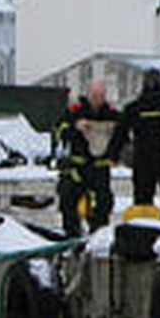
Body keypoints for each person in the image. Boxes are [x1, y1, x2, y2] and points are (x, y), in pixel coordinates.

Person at [53, 80, 119, 236]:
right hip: (78, 166)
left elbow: (125, 137)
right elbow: (59, 130)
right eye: (95, 95)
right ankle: (72, 235)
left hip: (100, 168)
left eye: (101, 95)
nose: (98, 99)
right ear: (88, 94)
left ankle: (99, 235)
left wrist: (115, 131)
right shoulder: (75, 111)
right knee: (69, 200)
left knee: (103, 203)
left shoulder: (112, 113)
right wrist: (75, 127)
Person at [110, 69, 160, 220]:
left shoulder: (134, 107)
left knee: (142, 198)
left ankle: (144, 229)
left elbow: (120, 133)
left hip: (143, 158)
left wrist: (113, 155)